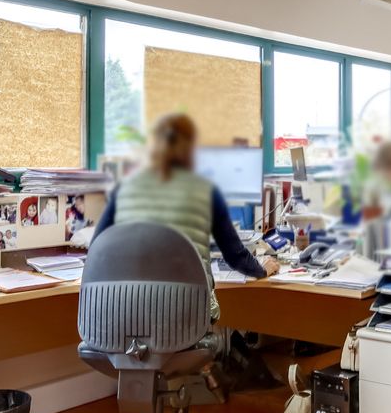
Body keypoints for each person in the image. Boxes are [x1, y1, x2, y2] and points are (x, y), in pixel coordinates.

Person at [91, 113, 280, 296]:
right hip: (186, 308)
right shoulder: (206, 190)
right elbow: (235, 256)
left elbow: (96, 248)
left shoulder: (124, 188)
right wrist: (262, 269)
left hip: (122, 306)